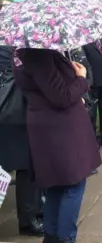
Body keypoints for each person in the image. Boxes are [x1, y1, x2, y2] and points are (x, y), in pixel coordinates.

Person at [13, 48, 101, 243]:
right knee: (73, 185)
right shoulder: (39, 54)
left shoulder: (22, 52)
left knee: (56, 186)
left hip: (50, 127)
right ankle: (65, 237)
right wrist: (81, 78)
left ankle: (52, 236)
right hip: (60, 130)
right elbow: (61, 96)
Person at [0, 46, 43, 237]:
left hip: (13, 114)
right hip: (14, 114)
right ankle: (28, 220)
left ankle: (32, 214)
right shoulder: (12, 50)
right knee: (26, 167)